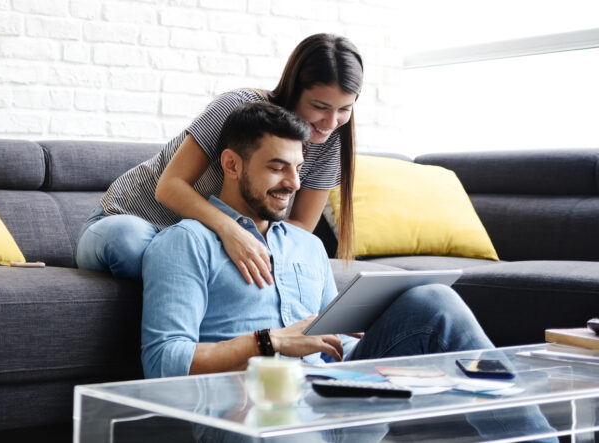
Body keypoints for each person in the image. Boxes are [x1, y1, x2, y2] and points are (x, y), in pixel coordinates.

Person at [140, 102, 556, 442]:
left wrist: (372, 334)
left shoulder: (306, 245)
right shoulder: (186, 242)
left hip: (341, 398)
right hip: (256, 412)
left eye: (299, 168)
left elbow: (331, 342)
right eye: (277, 167)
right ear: (231, 164)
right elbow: (162, 362)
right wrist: (269, 342)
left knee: (435, 300)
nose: (293, 183)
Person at [76, 33, 362, 284]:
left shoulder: (330, 144)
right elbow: (169, 187)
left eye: (344, 109)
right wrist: (232, 233)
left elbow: (300, 228)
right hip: (132, 221)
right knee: (132, 245)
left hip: (200, 244)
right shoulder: (237, 107)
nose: (331, 121)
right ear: (294, 89)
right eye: (320, 107)